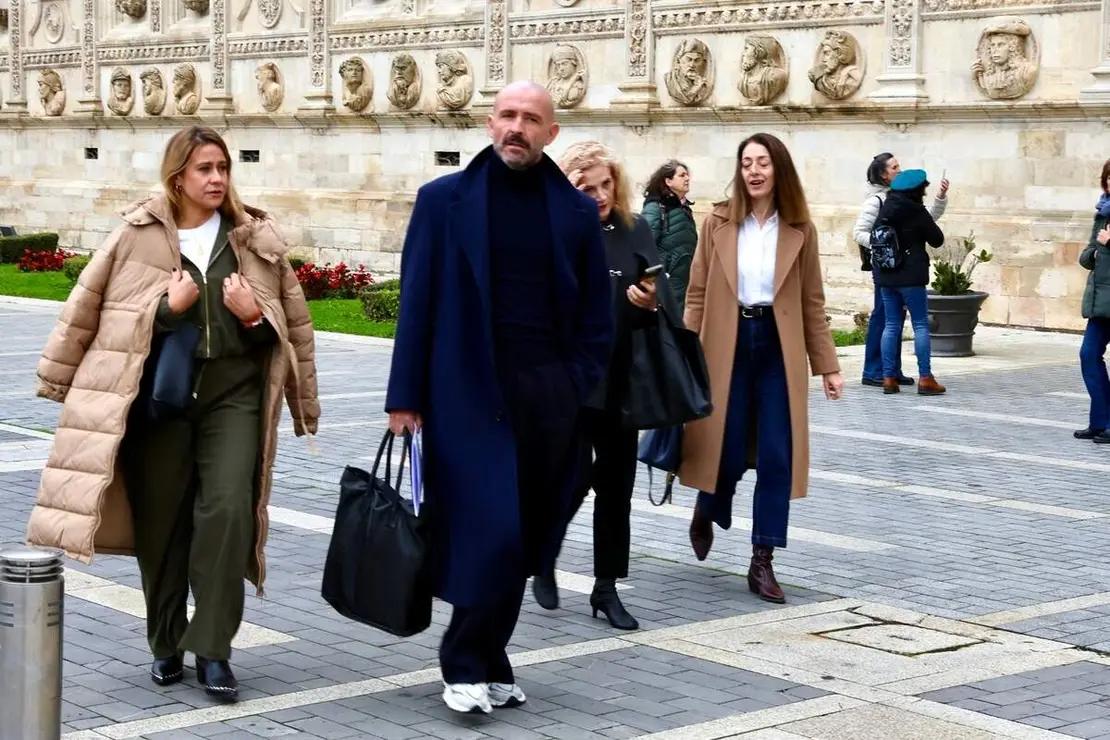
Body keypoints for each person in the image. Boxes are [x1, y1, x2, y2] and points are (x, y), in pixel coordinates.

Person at [26, 125, 320, 700]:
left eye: (223, 168)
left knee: (229, 512)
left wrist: (252, 316)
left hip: (231, 398)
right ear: (177, 176)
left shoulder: (252, 237)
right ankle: (165, 641)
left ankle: (212, 649)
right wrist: (166, 309)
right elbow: (91, 308)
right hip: (158, 402)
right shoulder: (135, 235)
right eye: (204, 168)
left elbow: (293, 328)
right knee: (161, 528)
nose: (216, 179)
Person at [385, 81, 612, 715]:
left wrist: (573, 382)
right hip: (466, 394)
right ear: (490, 124)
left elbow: (597, 314)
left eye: (531, 119)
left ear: (551, 133)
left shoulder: (572, 213)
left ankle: (493, 657)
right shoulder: (442, 201)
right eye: (508, 116)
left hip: (546, 397)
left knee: (529, 533)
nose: (517, 127)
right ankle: (464, 661)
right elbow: (417, 303)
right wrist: (405, 396)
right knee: (490, 531)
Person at [679, 133, 844, 604]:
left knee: (777, 456)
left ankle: (762, 560)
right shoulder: (716, 221)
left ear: (779, 171)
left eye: (763, 163)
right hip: (725, 343)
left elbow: (813, 302)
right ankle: (707, 504)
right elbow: (696, 293)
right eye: (747, 162)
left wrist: (828, 366)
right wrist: (687, 351)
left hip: (777, 346)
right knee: (726, 451)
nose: (754, 171)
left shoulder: (800, 228)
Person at [532, 141, 676, 631]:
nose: (598, 195)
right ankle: (544, 553)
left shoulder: (634, 230)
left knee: (616, 489)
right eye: (585, 186)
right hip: (569, 385)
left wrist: (650, 301)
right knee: (568, 478)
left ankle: (606, 587)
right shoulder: (554, 233)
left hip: (621, 380)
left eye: (605, 184)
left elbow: (661, 298)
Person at [853, 152, 948, 388]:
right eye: (894, 167)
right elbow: (860, 233)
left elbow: (925, 219)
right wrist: (886, 246)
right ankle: (877, 371)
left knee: (892, 322)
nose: (899, 170)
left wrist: (940, 198)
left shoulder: (898, 201)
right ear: (884, 175)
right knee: (889, 320)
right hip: (893, 267)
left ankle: (890, 373)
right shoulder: (877, 201)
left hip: (890, 274)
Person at [1076, 158, 1110, 444]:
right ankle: (1099, 420)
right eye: (1109, 177)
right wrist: (1095, 252)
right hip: (1101, 300)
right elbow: (1088, 253)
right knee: (1088, 355)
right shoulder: (1103, 211)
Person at [641, 160, 697, 310]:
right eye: (682, 175)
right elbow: (644, 247)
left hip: (685, 283)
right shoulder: (655, 208)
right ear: (668, 181)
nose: (687, 178)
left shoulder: (684, 209)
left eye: (687, 175)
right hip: (666, 284)